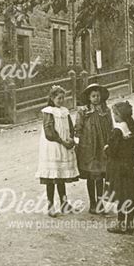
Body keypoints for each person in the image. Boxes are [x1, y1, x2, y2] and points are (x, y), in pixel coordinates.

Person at [37, 86, 80, 217]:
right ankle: (50, 206)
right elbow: (49, 132)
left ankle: (64, 203)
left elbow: (71, 128)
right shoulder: (48, 112)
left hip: (65, 145)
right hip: (53, 146)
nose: (61, 100)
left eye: (63, 98)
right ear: (52, 98)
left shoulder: (65, 111)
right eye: (58, 98)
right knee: (52, 176)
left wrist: (71, 139)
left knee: (60, 175)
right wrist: (62, 141)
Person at [74, 83, 113, 215]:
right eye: (93, 96)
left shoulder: (106, 111)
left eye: (98, 96)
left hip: (102, 146)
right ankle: (92, 203)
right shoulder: (83, 111)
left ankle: (100, 203)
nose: (96, 98)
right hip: (89, 146)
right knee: (91, 174)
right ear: (89, 98)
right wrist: (78, 142)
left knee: (101, 175)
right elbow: (78, 128)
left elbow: (111, 126)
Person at [105, 100, 134, 234]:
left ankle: (121, 224)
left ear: (119, 115)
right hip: (130, 166)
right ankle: (129, 225)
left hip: (119, 168)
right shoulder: (132, 129)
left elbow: (113, 151)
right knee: (129, 196)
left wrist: (107, 149)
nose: (114, 117)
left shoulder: (118, 130)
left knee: (121, 196)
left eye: (114, 114)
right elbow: (133, 149)